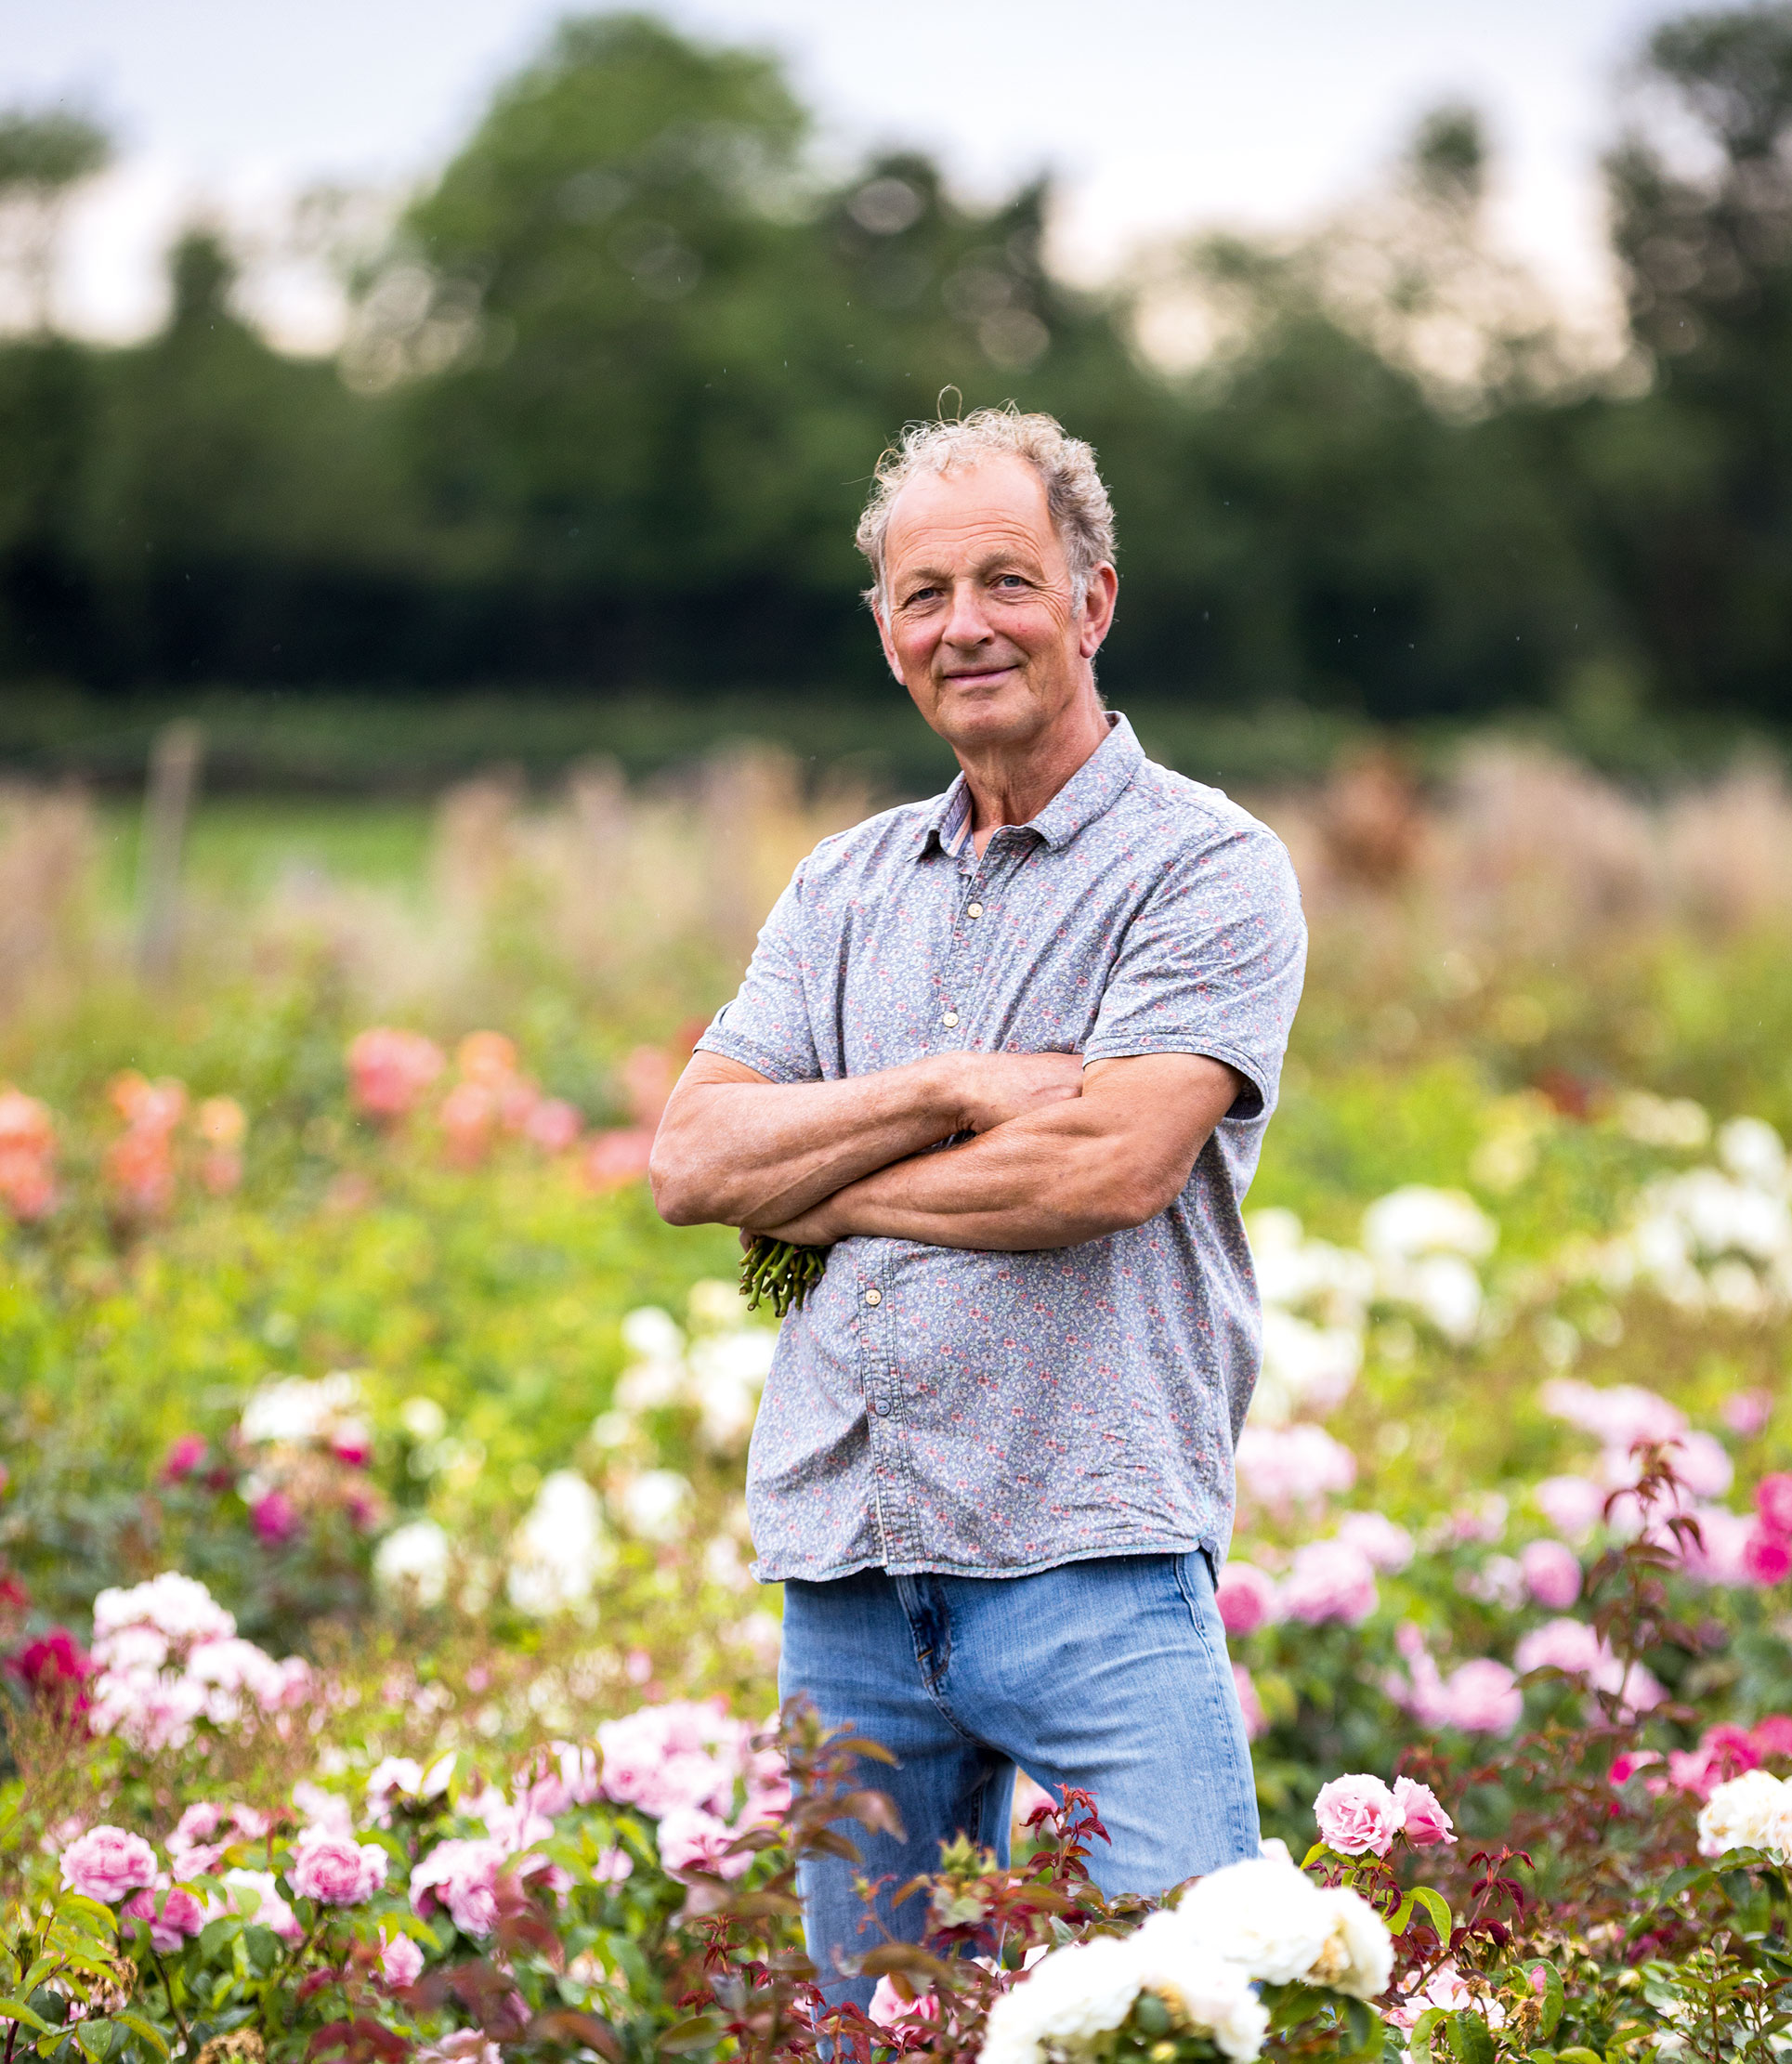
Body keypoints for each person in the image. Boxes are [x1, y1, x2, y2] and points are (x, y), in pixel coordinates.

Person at [647, 407, 1305, 2012]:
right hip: (851, 1564)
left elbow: (1105, 1168)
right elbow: (693, 1162)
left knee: (1190, 2008)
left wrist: (825, 1189)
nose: (965, 626)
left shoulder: (1203, 866)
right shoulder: (842, 883)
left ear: (1091, 601)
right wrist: (949, 1084)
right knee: (874, 2025)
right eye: (922, 594)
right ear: (885, 633)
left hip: (1092, 1551)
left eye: (1006, 581)